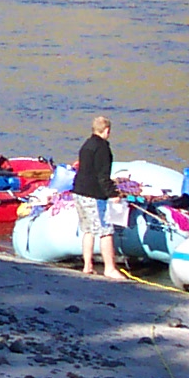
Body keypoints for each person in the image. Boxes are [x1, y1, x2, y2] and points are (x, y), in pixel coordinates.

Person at [72, 114, 123, 279]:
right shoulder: (102, 148)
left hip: (78, 191)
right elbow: (102, 176)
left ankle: (87, 266)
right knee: (106, 230)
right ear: (107, 130)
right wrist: (113, 194)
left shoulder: (86, 145)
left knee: (88, 230)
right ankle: (110, 268)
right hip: (93, 195)